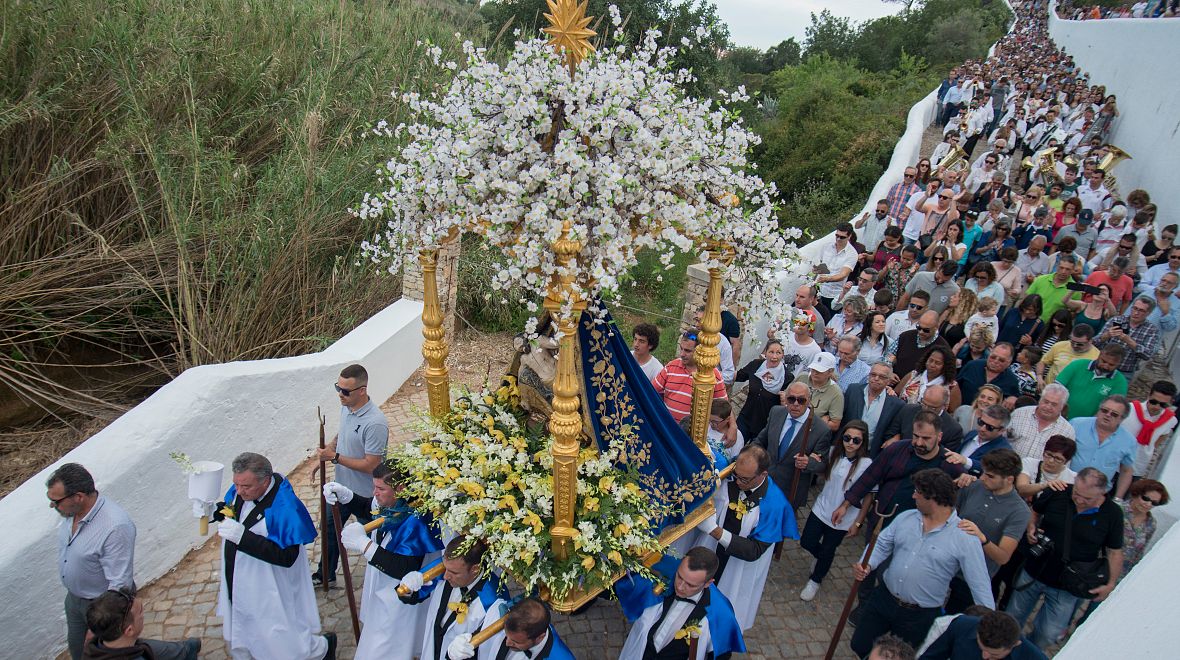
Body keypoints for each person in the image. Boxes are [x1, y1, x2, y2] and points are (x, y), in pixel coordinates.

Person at [849, 469, 994, 656]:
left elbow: (980, 584)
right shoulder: (906, 517)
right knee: (859, 644)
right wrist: (866, 564)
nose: (913, 495)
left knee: (899, 657)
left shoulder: (965, 537)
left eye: (917, 492)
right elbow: (883, 543)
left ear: (932, 498)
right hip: (883, 598)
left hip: (918, 616)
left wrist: (992, 629)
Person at [216, 452, 331, 660]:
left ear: (265, 480)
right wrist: (216, 512)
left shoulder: (285, 507)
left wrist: (244, 538)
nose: (239, 491)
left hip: (270, 586)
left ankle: (320, 651)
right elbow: (231, 510)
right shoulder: (241, 489)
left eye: (246, 487)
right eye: (237, 484)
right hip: (242, 580)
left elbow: (286, 557)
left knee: (278, 637)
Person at [331, 463, 444, 660]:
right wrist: (348, 496)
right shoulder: (390, 501)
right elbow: (371, 508)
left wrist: (365, 546)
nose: (375, 493)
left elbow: (405, 567)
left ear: (400, 489)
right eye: (374, 487)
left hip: (397, 599)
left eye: (381, 488)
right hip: (379, 589)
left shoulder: (415, 521)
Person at [1006, 468, 1123, 650]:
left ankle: (1027, 652)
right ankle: (1006, 649)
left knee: (1048, 634)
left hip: (1068, 585)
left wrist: (1111, 584)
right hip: (1034, 571)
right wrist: (1031, 527)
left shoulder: (1113, 513)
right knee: (1013, 617)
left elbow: (1115, 551)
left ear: (1103, 492)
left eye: (1087, 498)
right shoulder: (1058, 492)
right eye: (1077, 493)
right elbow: (1034, 511)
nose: (1080, 500)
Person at [691, 445, 797, 629]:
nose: (738, 482)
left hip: (737, 566)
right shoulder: (731, 472)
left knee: (723, 615)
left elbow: (755, 550)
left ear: (763, 474)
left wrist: (715, 531)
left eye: (745, 479)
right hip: (709, 551)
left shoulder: (774, 505)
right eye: (736, 475)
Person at [47, 463, 137, 660]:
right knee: (78, 649)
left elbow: (120, 583)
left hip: (100, 606)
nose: (52, 505)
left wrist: (98, 627)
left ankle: (183, 650)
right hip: (74, 600)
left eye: (56, 501)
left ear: (78, 497)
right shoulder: (71, 512)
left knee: (108, 654)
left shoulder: (115, 526)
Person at [313, 364, 389, 586]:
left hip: (366, 496)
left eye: (345, 391)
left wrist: (334, 457)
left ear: (362, 390)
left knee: (376, 536)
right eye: (338, 388)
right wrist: (327, 451)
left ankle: (382, 577)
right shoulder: (347, 407)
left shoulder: (375, 423)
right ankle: (325, 573)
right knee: (328, 530)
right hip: (341, 487)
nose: (340, 395)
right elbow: (342, 434)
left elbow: (371, 464)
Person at [618, 548, 745, 660]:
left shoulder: (721, 614)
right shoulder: (665, 570)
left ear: (708, 583)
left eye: (690, 585)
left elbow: (721, 654)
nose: (680, 586)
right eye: (679, 576)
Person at [947, 450, 1031, 614]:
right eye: (984, 473)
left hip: (971, 578)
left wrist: (981, 538)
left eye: (990, 476)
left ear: (1009, 479)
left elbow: (1003, 556)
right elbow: (945, 513)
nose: (983, 478)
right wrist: (955, 484)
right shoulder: (974, 486)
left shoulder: (1019, 511)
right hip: (945, 564)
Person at [397, 537, 509, 660]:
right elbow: (412, 596)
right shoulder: (447, 568)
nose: (445, 576)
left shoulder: (492, 600)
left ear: (475, 569)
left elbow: (489, 649)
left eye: (454, 573)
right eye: (446, 569)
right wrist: (408, 587)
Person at [799, 421, 873, 602]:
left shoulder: (866, 464)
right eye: (847, 438)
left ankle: (816, 579)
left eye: (856, 440)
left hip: (844, 518)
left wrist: (858, 522)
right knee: (807, 541)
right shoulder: (834, 454)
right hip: (822, 508)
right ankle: (821, 558)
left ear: (863, 443)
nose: (851, 443)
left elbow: (869, 496)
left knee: (828, 549)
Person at [752, 381, 832, 510]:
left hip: (790, 490)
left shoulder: (821, 429)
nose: (795, 404)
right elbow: (761, 440)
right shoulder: (776, 412)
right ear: (785, 399)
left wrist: (808, 463)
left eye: (801, 400)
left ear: (809, 401)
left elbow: (822, 464)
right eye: (791, 399)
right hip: (764, 481)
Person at [82, 587, 200, 660]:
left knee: (163, 649)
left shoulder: (94, 647)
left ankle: (187, 648)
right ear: (129, 630)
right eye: (141, 612)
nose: (143, 615)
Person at [447, 598, 573, 660]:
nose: (507, 642)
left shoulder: (560, 657)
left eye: (517, 642)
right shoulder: (497, 617)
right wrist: (454, 652)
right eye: (507, 635)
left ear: (540, 637)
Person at [1070, 395, 1136, 499]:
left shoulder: (1129, 441)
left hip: (1097, 495)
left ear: (1122, 419)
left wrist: (1118, 498)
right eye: (1104, 410)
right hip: (1067, 485)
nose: (1108, 415)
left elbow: (1126, 471)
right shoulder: (1076, 424)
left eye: (1114, 414)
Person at [652, 332, 727, 422]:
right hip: (667, 428)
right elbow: (650, 390)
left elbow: (724, 408)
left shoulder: (713, 375)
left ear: (700, 351)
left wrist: (732, 426)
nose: (682, 354)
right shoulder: (671, 366)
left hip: (693, 433)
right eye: (681, 349)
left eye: (687, 351)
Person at [918, 610, 1047, 660]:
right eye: (981, 647)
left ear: (1015, 644)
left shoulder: (1035, 658)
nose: (985, 656)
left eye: (994, 654)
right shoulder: (962, 625)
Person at [843, 362, 907, 457]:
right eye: (873, 375)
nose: (876, 378)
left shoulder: (896, 404)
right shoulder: (853, 390)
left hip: (871, 454)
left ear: (889, 381)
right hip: (845, 448)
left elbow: (892, 431)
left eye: (882, 377)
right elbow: (843, 418)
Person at [884, 385, 966, 454]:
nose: (926, 409)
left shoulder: (953, 430)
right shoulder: (907, 410)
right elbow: (890, 433)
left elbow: (945, 456)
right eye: (924, 404)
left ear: (944, 406)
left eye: (932, 407)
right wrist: (894, 439)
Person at [1094, 296, 1160, 380]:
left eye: (1141, 310)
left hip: (1124, 372)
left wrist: (1129, 341)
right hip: (1102, 365)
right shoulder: (1116, 320)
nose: (1136, 313)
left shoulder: (1151, 330)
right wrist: (1107, 335)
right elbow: (1094, 343)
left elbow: (1147, 355)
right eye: (1135, 308)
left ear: (1149, 313)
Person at [1054, 344, 1128, 419]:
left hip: (1085, 424)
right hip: (1057, 414)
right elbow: (1056, 388)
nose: (1106, 366)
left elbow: (1113, 408)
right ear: (1100, 354)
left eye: (1111, 365)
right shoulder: (1078, 365)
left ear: (1118, 364)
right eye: (1104, 361)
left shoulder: (1120, 382)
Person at [1122, 381, 1178, 480]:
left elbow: (1159, 441)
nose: (1156, 407)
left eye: (1163, 405)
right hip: (1116, 461)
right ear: (1149, 395)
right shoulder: (1129, 409)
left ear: (1171, 402)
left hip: (1138, 465)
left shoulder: (1171, 420)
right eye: (1153, 402)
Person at [1007, 383, 1076, 460]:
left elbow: (1064, 461)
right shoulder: (1018, 414)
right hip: (1009, 466)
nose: (1048, 407)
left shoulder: (1067, 431)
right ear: (1040, 400)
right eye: (1046, 402)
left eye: (1054, 404)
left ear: (1062, 406)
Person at [1117, 479, 1169, 580]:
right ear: (1136, 494)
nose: (1148, 504)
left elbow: (1138, 553)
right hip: (1097, 568)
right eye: (1145, 498)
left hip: (1122, 575)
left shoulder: (1151, 524)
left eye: (1154, 503)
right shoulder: (1116, 510)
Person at [734, 339, 786, 441]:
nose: (774, 356)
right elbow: (739, 376)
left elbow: (784, 405)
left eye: (778, 353)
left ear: (783, 355)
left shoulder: (786, 377)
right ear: (765, 353)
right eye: (771, 352)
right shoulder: (756, 365)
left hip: (764, 425)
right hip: (746, 418)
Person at [947, 405, 1015, 473]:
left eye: (990, 427)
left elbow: (991, 470)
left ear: (1001, 431)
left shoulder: (1004, 451)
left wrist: (965, 461)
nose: (982, 429)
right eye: (981, 422)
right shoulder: (972, 434)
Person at [890, 311, 952, 378]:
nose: (921, 332)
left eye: (926, 330)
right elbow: (889, 355)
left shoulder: (943, 347)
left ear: (936, 327)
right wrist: (889, 372)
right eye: (919, 327)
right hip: (894, 381)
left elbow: (945, 374)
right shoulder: (905, 336)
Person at [792, 353, 844, 432]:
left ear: (830, 372)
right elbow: (785, 398)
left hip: (811, 432)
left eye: (819, 371)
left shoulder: (836, 393)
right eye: (813, 369)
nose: (815, 373)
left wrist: (816, 422)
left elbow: (835, 425)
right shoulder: (802, 377)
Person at [1016, 435, 1079, 499]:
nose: (1051, 461)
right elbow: (1021, 489)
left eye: (1058, 458)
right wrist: (1045, 485)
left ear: (1066, 461)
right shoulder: (1028, 463)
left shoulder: (1074, 478)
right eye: (1048, 454)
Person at [816, 223, 860, 310]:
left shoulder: (852, 254)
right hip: (819, 290)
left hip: (834, 294)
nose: (838, 239)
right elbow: (821, 264)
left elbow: (843, 274)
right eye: (837, 235)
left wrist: (827, 279)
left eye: (842, 237)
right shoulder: (826, 246)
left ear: (849, 236)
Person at [1024, 255, 1082, 322]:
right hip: (1030, 321)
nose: (1063, 271)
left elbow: (1073, 313)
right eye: (1061, 268)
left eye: (1067, 269)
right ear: (1057, 267)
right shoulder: (1041, 280)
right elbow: (1026, 299)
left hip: (1051, 328)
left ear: (1072, 270)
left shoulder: (1075, 290)